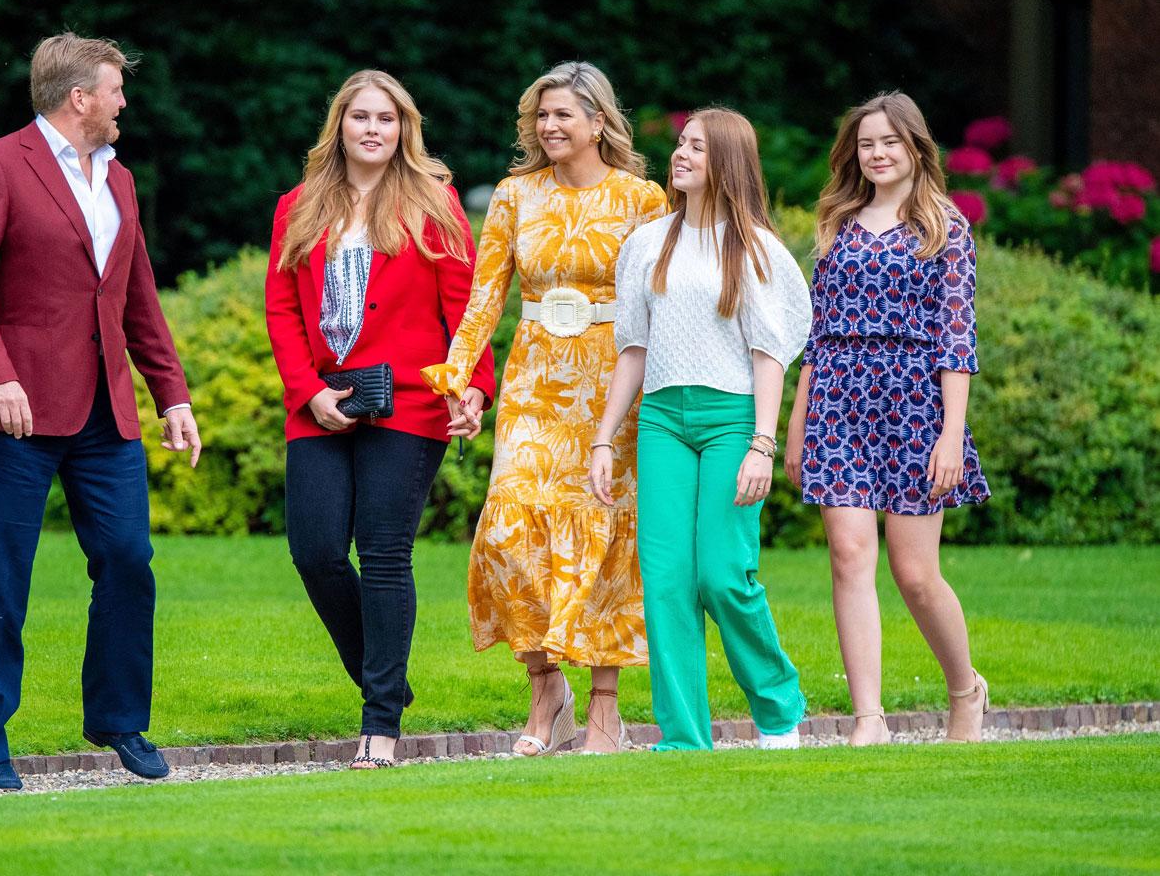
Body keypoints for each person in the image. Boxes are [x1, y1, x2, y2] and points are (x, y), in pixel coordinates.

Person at [0, 32, 201, 791]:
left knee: (128, 559)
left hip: (104, 413)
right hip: (14, 416)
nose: (125, 102)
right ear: (79, 97)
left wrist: (171, 393)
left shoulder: (118, 180)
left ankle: (119, 719)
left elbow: (135, 294)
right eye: (115, 90)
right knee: (2, 576)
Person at [422, 61, 666, 756]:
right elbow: (483, 297)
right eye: (541, 115)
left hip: (612, 383)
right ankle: (545, 688)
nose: (550, 125)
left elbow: (659, 302)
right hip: (534, 380)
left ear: (599, 122)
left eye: (564, 114)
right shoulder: (514, 194)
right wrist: (459, 377)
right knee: (507, 530)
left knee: (605, 534)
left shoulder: (641, 199)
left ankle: (604, 713)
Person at [265, 70, 494, 769]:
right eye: (360, 116)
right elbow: (281, 309)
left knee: (385, 551)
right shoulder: (296, 207)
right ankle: (384, 672)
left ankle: (380, 721)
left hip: (411, 399)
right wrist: (308, 392)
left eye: (386, 119)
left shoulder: (436, 204)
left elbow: (468, 310)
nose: (373, 129)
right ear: (339, 125)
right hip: (321, 400)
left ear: (404, 130)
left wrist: (474, 389)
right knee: (315, 551)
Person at [591, 108, 811, 751]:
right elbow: (632, 349)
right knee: (664, 581)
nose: (680, 155)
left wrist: (761, 445)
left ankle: (778, 705)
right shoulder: (648, 243)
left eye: (697, 148)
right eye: (681, 144)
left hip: (731, 421)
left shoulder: (758, 250)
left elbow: (769, 354)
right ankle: (684, 739)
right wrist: (605, 437)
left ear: (729, 163)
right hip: (662, 420)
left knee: (721, 574)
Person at [785, 91, 992, 745]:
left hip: (914, 407)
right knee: (849, 556)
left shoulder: (946, 229)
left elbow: (958, 341)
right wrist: (796, 425)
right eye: (865, 144)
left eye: (889, 143)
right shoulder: (837, 223)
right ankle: (868, 716)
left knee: (915, 574)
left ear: (915, 148)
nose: (875, 154)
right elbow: (816, 338)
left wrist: (951, 435)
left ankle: (966, 688)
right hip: (838, 401)